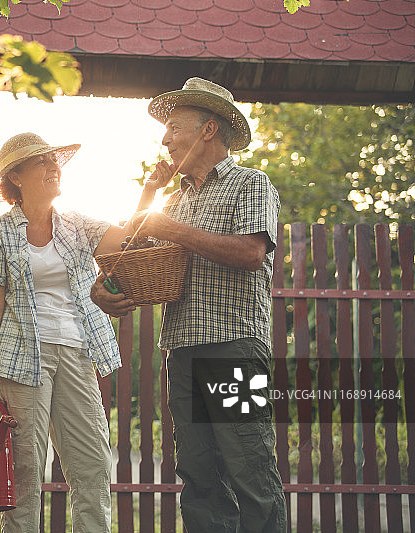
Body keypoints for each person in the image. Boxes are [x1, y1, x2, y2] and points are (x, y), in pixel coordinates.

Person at [91, 78, 287, 533]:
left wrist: (173, 230)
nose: (165, 140)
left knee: (250, 467)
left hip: (233, 347)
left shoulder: (250, 184)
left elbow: (251, 253)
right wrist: (106, 292)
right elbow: (128, 258)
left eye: (174, 128)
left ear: (208, 130)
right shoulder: (175, 199)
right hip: (182, 351)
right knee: (198, 475)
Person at [0, 132, 151, 532]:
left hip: (76, 353)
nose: (54, 168)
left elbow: (130, 241)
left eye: (55, 161)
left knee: (93, 463)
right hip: (19, 360)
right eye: (42, 162)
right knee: (25, 468)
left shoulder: (77, 224)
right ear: (16, 177)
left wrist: (150, 191)